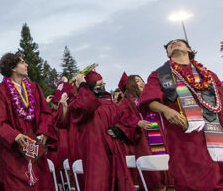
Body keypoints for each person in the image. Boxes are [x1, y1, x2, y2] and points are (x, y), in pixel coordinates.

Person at [139, 39, 223, 191]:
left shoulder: (209, 75)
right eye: (170, 44)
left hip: (214, 135)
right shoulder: (160, 75)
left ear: (189, 49)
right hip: (184, 137)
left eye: (179, 42)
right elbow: (148, 100)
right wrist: (166, 110)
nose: (174, 43)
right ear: (168, 54)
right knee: (192, 182)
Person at [0, 52, 55, 191]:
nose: (26, 65)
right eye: (22, 62)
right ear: (13, 67)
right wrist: (15, 135)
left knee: (41, 182)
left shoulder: (34, 88)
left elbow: (45, 113)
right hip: (14, 151)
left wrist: (44, 131)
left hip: (34, 145)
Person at [70, 69, 135, 191]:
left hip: (115, 153)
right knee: (99, 183)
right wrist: (82, 86)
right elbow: (85, 106)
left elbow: (129, 120)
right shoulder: (78, 104)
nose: (101, 87)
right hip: (96, 153)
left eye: (102, 84)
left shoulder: (110, 104)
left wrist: (120, 130)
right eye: (98, 85)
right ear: (90, 87)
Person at [114, 75, 173, 191]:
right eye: (137, 81)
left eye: (141, 80)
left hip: (162, 139)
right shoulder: (126, 103)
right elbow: (122, 117)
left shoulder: (151, 100)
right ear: (131, 85)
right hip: (144, 143)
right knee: (155, 181)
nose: (141, 82)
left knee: (170, 181)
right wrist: (137, 122)